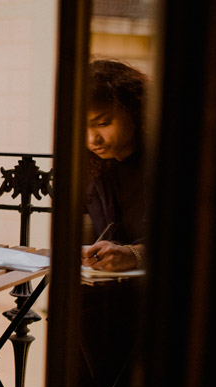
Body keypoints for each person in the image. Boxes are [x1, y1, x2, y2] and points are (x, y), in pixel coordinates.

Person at [81, 59, 148, 272]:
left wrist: (135, 254)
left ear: (134, 113)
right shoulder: (92, 167)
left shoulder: (167, 162)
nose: (92, 139)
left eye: (102, 123)